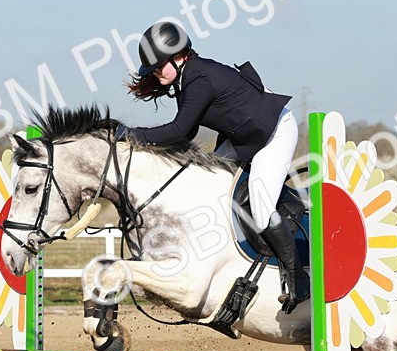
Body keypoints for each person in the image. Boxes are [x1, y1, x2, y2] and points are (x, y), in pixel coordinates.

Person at [121, 21, 308, 311]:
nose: (156, 74)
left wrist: (133, 136)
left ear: (179, 56)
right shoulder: (186, 79)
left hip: (273, 133)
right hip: (246, 135)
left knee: (260, 207)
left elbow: (180, 131)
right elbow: (190, 132)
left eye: (158, 67)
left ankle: (299, 279)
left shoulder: (199, 78)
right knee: (204, 183)